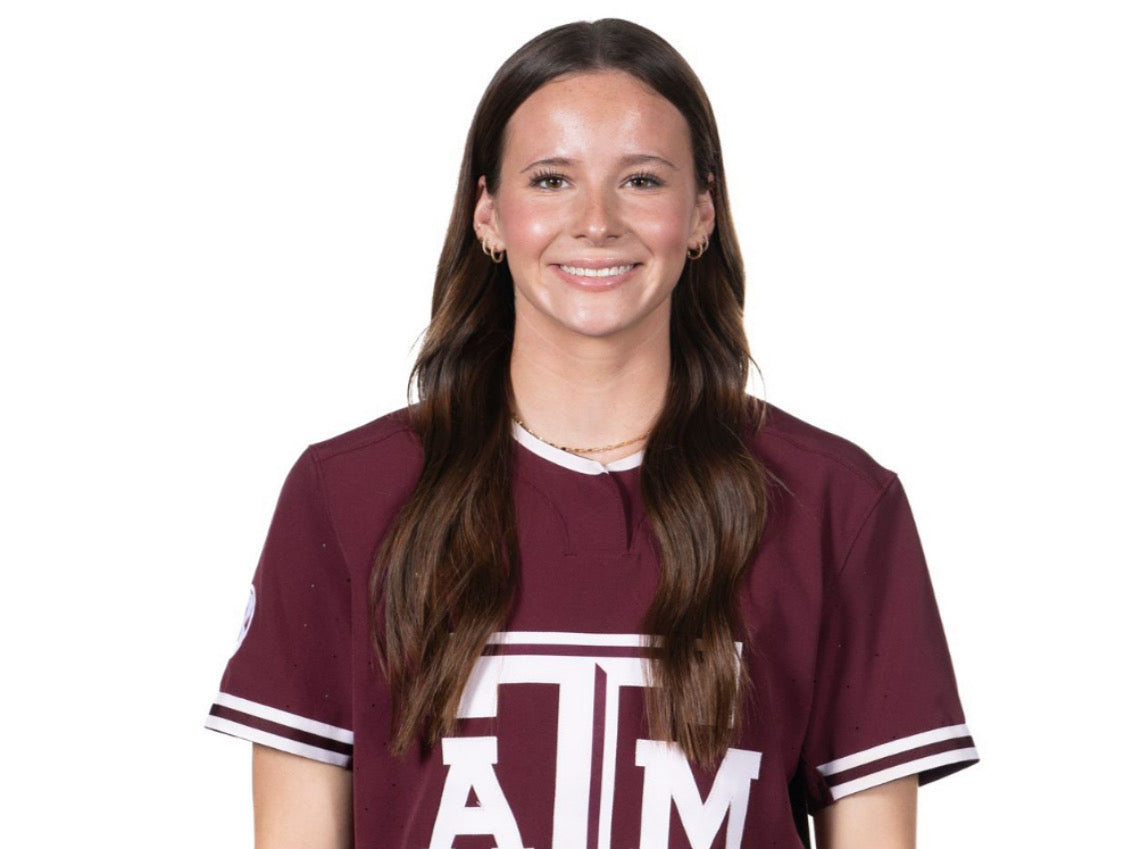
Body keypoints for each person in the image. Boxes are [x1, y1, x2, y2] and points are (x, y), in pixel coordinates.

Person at [205, 18, 978, 849]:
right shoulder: (347, 493)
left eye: (641, 180)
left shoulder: (836, 503)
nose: (597, 220)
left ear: (701, 213)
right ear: (488, 215)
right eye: (550, 180)